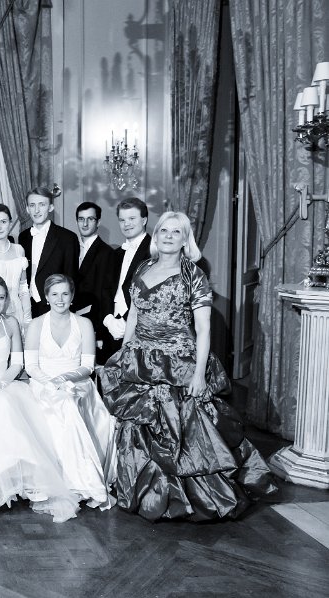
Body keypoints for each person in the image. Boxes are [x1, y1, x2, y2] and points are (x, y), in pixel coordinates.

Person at [100, 212, 277, 521]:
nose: (168, 236)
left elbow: (204, 329)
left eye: (176, 232)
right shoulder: (143, 267)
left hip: (177, 362)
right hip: (140, 359)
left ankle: (187, 497)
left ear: (185, 239)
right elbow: (133, 315)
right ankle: (144, 492)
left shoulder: (192, 274)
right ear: (156, 235)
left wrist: (198, 374)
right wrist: (124, 352)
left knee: (182, 433)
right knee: (140, 428)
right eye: (164, 231)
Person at [0, 276, 80, 521]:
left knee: (13, 404)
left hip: (3, 382)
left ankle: (31, 482)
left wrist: (1, 382)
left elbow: (17, 363)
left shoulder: (11, 323)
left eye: (1, 297)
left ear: (7, 299)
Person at [24, 274, 115, 507]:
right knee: (60, 403)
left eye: (65, 293)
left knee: (68, 403)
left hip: (78, 382)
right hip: (43, 383)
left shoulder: (84, 324)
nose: (60, 299)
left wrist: (65, 378)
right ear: (46, 297)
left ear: (72, 296)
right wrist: (51, 382)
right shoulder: (36, 325)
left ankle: (80, 482)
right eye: (54, 294)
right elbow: (31, 366)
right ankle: (61, 481)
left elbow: (87, 366)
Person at [100, 197, 152, 362]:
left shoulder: (154, 252)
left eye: (132, 218)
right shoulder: (116, 254)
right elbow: (105, 290)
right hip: (111, 329)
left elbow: (153, 295)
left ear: (144, 220)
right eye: (122, 220)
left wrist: (128, 322)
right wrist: (108, 319)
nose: (126, 224)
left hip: (140, 332)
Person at [17, 186, 80, 318]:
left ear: (51, 207)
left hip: (55, 307)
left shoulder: (68, 238)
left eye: (42, 204)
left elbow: (71, 279)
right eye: (32, 205)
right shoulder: (23, 237)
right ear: (27, 209)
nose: (37, 210)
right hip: (27, 306)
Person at [72, 201, 117, 364]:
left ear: (98, 222)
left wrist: (100, 333)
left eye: (90, 219)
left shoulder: (107, 253)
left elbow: (105, 296)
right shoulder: (71, 248)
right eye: (81, 219)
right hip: (71, 322)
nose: (85, 224)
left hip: (93, 325)